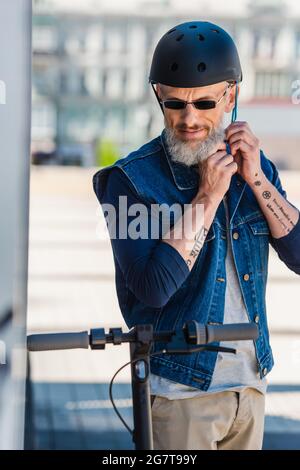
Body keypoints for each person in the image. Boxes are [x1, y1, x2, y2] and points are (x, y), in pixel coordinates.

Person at [93, 21, 300, 450]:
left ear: (231, 97)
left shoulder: (254, 170)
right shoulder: (130, 181)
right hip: (179, 394)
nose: (189, 119)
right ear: (158, 97)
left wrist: (257, 178)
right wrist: (206, 197)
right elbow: (152, 289)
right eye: (174, 104)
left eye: (205, 102)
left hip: (252, 383)